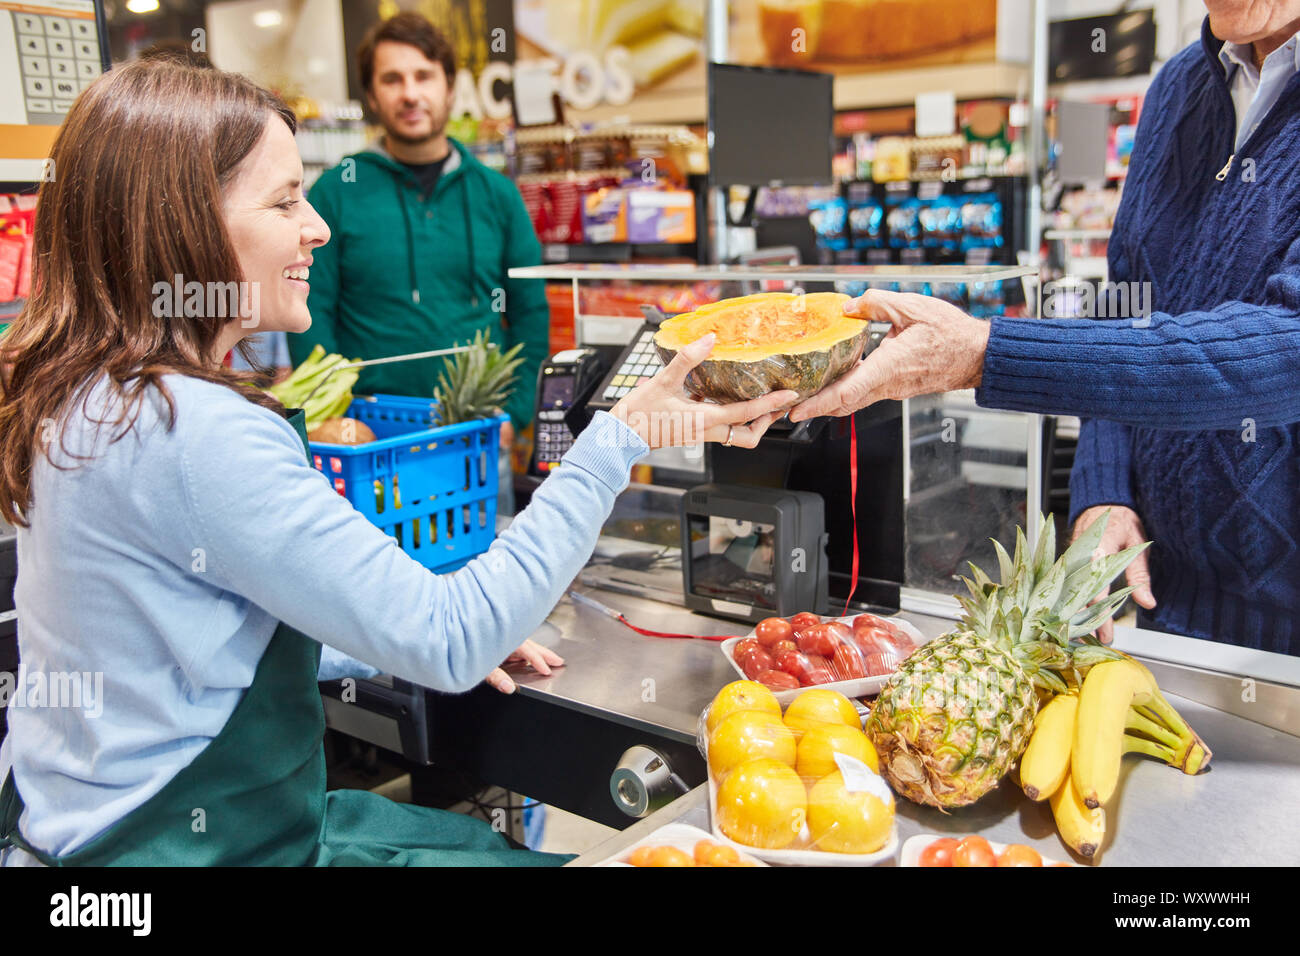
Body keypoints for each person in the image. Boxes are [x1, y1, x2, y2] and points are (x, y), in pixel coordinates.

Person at [0, 60, 793, 867]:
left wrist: (369, 634)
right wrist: (618, 439)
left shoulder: (86, 394)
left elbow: (189, 632)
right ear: (177, 225)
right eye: (282, 202)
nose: (317, 228)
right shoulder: (194, 428)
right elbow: (449, 639)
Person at [791, 1, 1300, 657]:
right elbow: (1124, 301)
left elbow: (1285, 350)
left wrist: (986, 354)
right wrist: (1105, 488)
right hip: (1171, 613)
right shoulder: (1179, 87)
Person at [289, 12, 548, 510]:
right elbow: (308, 311)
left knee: (486, 571)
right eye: (392, 79)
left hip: (478, 435)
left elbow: (531, 314)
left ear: (450, 87)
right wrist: (330, 415)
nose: (410, 94)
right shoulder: (336, 192)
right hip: (368, 442)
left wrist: (514, 415)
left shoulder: (497, 195)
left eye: (424, 76)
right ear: (371, 95)